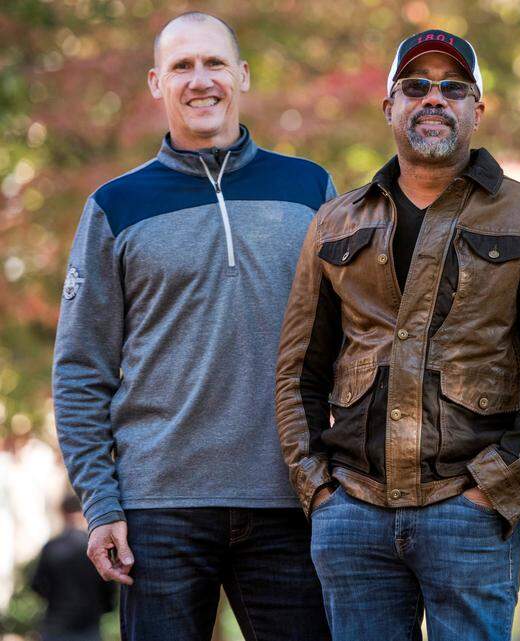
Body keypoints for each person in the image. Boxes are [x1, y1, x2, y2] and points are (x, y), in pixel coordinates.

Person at [274, 29, 520, 641]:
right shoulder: (336, 220)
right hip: (352, 512)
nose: (434, 98)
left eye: (453, 87)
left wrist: (501, 486)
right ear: (390, 107)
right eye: (415, 86)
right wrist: (316, 487)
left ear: (477, 108)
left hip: (469, 509)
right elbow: (298, 370)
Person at [52, 11, 334, 641]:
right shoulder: (115, 206)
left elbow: (349, 340)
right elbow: (79, 369)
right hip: (158, 507)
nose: (198, 79)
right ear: (157, 83)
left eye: (213, 63)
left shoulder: (310, 188)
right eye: (181, 66)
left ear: (242, 76)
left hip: (291, 496)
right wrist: (100, 504)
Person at [31, 495, 116, 641]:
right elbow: (108, 583)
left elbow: (36, 584)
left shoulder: (51, 547)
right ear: (85, 513)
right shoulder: (97, 549)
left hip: (56, 623)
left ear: (62, 513)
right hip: (89, 625)